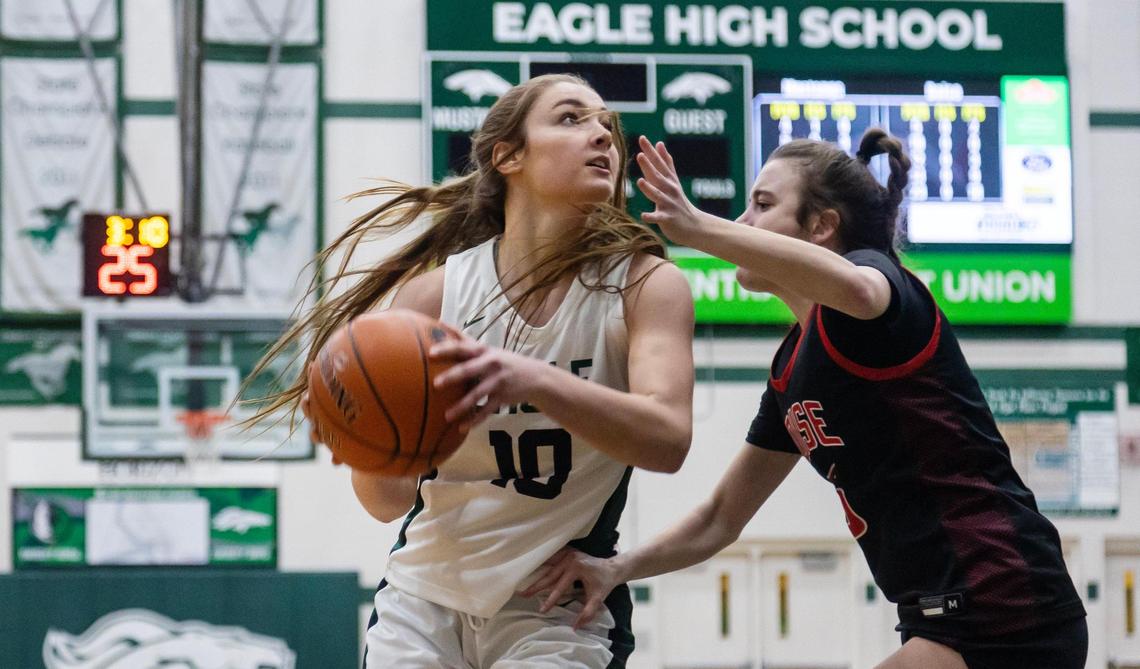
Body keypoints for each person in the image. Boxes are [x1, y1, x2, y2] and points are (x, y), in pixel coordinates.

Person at [524, 130, 1088, 669]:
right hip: (947, 615)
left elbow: (856, 289)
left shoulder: (878, 286)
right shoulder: (792, 367)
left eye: (762, 205)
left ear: (821, 226)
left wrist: (699, 227)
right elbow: (720, 519)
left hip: (1005, 603)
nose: (743, 223)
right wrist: (615, 568)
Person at [250, 74, 694, 668]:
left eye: (604, 124)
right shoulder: (436, 297)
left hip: (558, 605)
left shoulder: (644, 286)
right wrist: (361, 437)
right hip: (424, 598)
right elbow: (386, 502)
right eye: (570, 118)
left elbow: (668, 440)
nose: (601, 136)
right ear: (508, 156)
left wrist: (533, 379)